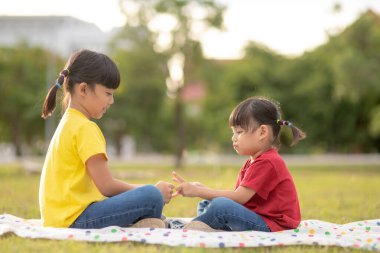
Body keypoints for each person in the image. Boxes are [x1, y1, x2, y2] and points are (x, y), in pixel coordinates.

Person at [39, 49, 174, 229]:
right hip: (75, 220)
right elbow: (107, 187)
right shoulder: (85, 128)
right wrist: (152, 189)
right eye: (108, 93)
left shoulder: (69, 122)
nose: (111, 101)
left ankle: (142, 221)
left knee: (147, 195)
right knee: (151, 196)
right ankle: (144, 218)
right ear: (83, 89)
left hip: (59, 218)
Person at [172, 96, 306, 232]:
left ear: (262, 132)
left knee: (221, 205)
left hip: (273, 224)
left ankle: (190, 228)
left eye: (239, 132)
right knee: (206, 203)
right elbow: (238, 198)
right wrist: (202, 189)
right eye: (233, 132)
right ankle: (210, 226)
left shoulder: (268, 162)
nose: (233, 137)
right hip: (259, 216)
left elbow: (239, 198)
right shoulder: (255, 161)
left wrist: (199, 191)